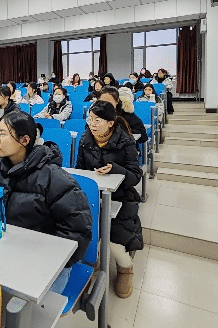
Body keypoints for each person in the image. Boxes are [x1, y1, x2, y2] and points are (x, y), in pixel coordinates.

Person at [0, 111, 92, 290]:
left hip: (46, 263)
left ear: (24, 140)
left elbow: (78, 229)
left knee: (18, 304)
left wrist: (43, 258)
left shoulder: (53, 178)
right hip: (6, 253)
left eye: (3, 134)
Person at [76, 101, 143, 299]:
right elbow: (80, 169)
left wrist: (115, 169)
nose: (92, 124)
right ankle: (93, 261)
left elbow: (135, 176)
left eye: (97, 120)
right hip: (94, 195)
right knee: (82, 229)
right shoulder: (85, 138)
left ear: (111, 123)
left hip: (122, 196)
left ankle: (125, 268)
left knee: (114, 237)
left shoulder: (125, 141)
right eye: (90, 119)